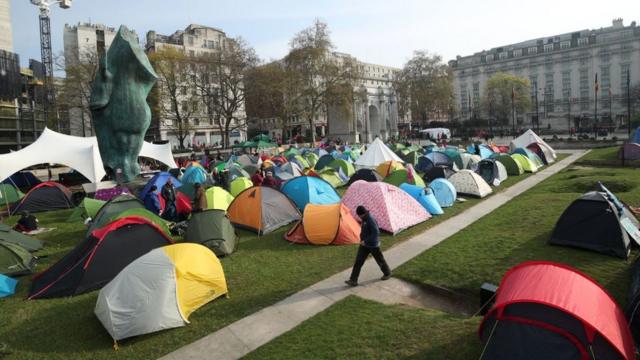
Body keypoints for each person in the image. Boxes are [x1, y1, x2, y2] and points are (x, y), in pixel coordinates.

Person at [345, 206, 391, 286]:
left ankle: (387, 273)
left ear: (362, 214)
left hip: (373, 245)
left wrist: (366, 241)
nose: (359, 217)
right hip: (364, 245)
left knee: (380, 260)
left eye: (359, 216)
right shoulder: (364, 219)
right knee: (358, 261)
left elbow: (376, 233)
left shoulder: (370, 220)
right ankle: (353, 280)